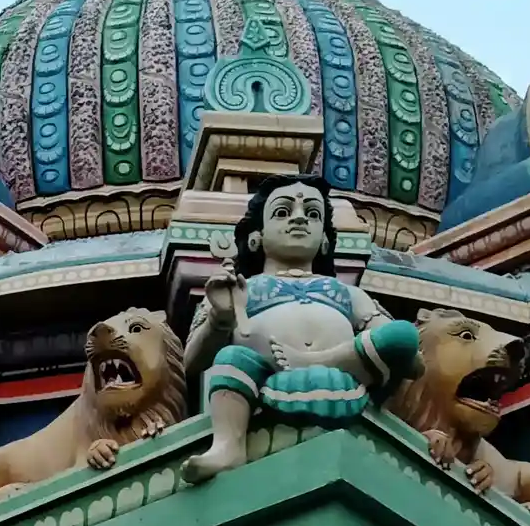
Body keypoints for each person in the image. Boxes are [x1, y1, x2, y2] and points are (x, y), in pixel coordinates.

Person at [180, 174, 423, 484]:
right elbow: (192, 362)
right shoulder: (244, 289)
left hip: (347, 379)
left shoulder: (344, 292)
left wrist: (393, 350)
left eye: (312, 213)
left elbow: (409, 356)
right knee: (231, 356)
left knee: (403, 334)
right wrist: (221, 318)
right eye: (282, 212)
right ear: (257, 235)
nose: (299, 219)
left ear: (323, 238)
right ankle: (228, 446)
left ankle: (312, 361)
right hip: (265, 380)